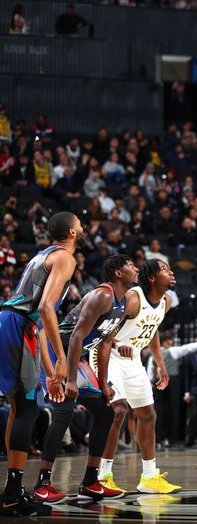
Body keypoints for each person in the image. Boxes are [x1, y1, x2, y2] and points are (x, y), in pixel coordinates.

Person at [33, 255, 138, 503]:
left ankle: (91, 481)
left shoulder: (124, 303)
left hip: (78, 358)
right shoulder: (103, 295)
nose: (136, 268)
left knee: (105, 411)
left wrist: (102, 383)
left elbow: (104, 344)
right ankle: (42, 483)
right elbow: (78, 336)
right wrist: (69, 379)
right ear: (117, 273)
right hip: (56, 352)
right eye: (130, 265)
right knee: (63, 412)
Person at [0, 212, 81, 517]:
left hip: (18, 325)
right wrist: (62, 358)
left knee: (20, 408)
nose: (82, 226)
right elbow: (46, 309)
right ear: (72, 232)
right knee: (28, 408)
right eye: (79, 223)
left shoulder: (42, 256)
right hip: (18, 326)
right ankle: (12, 493)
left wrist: (50, 374)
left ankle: (11, 490)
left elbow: (42, 324)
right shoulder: (64, 258)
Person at [97, 259, 179, 495]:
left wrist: (160, 364)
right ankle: (103, 476)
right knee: (119, 410)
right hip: (109, 356)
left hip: (133, 359)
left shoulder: (167, 301)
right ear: (152, 278)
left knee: (147, 414)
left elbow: (152, 329)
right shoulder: (133, 298)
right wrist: (117, 342)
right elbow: (105, 329)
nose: (170, 271)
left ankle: (150, 477)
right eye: (164, 269)